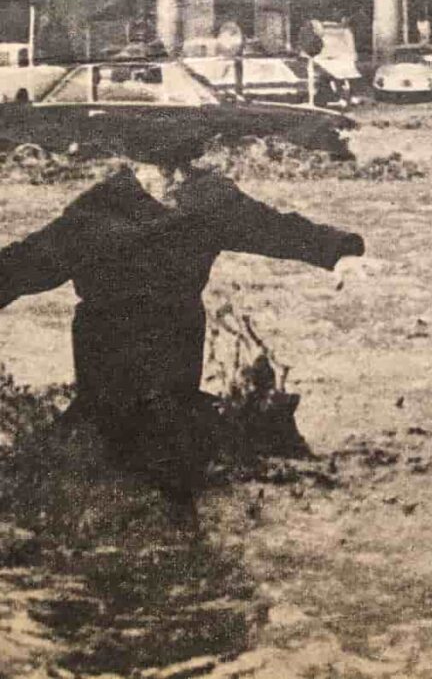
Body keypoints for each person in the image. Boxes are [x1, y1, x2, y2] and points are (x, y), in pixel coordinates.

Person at [0, 160, 365, 529]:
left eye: (179, 162)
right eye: (157, 165)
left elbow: (275, 229)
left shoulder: (210, 202)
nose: (170, 177)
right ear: (132, 161)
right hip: (109, 351)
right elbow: (25, 264)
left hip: (172, 352)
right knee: (99, 454)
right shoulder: (95, 210)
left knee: (168, 466)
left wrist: (339, 252)